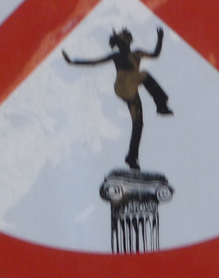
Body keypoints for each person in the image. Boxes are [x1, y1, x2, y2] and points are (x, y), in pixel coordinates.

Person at [62, 27, 172, 171]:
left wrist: (160, 38)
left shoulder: (136, 53)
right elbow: (94, 62)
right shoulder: (123, 55)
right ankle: (161, 105)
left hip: (128, 90)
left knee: (138, 124)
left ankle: (132, 158)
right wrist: (72, 61)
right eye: (124, 38)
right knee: (144, 75)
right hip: (125, 87)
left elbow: (155, 54)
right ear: (124, 42)